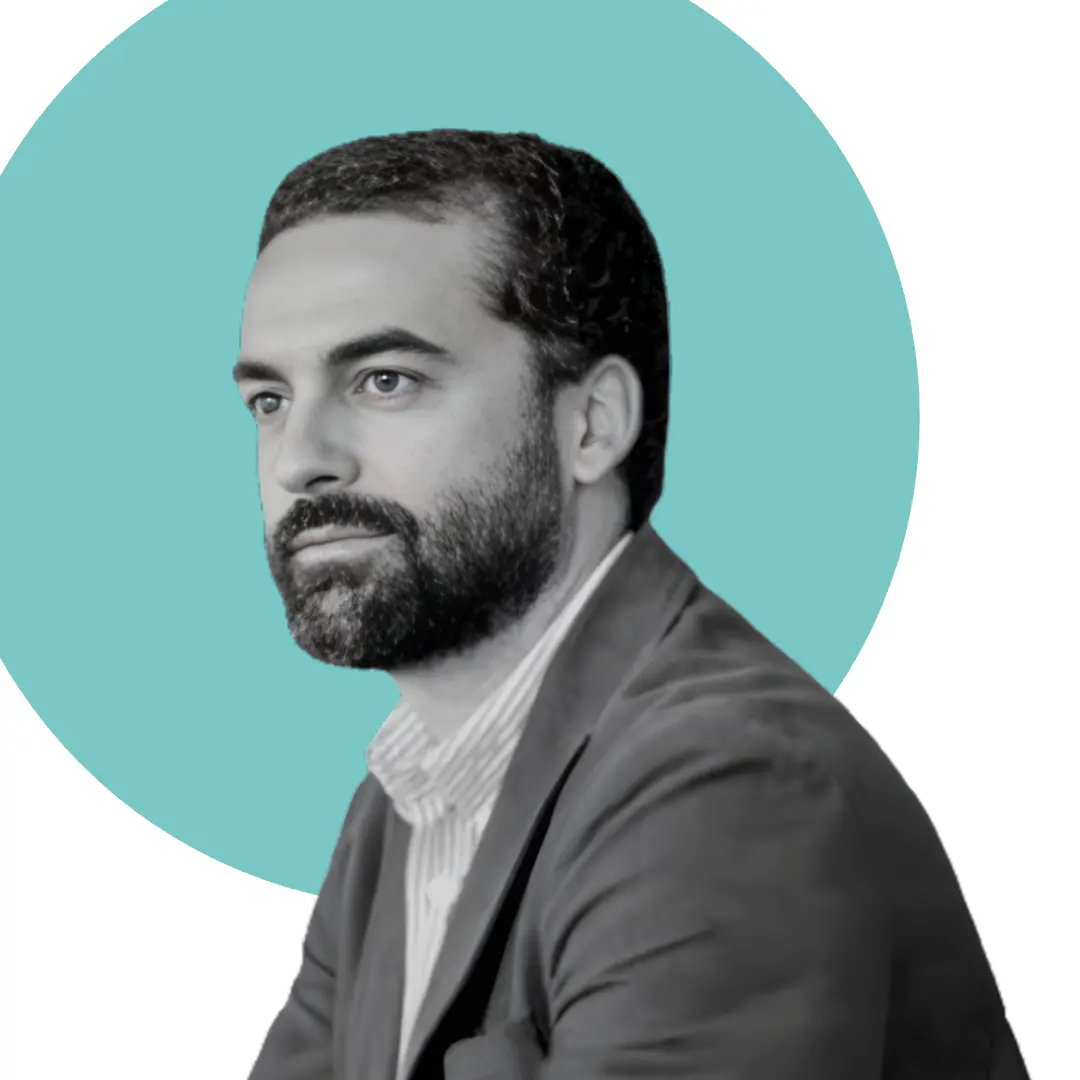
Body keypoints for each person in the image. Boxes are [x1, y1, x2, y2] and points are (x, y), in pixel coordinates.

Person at [236, 129, 1028, 1080]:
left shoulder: (727, 785)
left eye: (385, 381)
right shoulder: (399, 807)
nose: (300, 459)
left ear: (593, 424)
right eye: (269, 400)